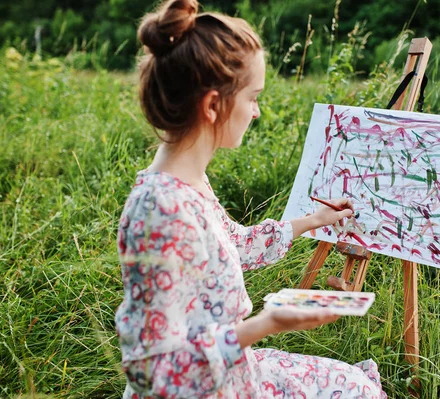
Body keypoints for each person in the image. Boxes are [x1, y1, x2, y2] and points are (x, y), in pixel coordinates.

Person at [114, 0, 387, 397]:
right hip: (206, 387)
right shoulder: (161, 210)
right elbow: (153, 374)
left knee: (352, 383)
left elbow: (234, 244)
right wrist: (267, 324)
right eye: (252, 97)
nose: (256, 112)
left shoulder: (188, 183)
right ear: (213, 105)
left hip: (232, 370)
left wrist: (313, 220)